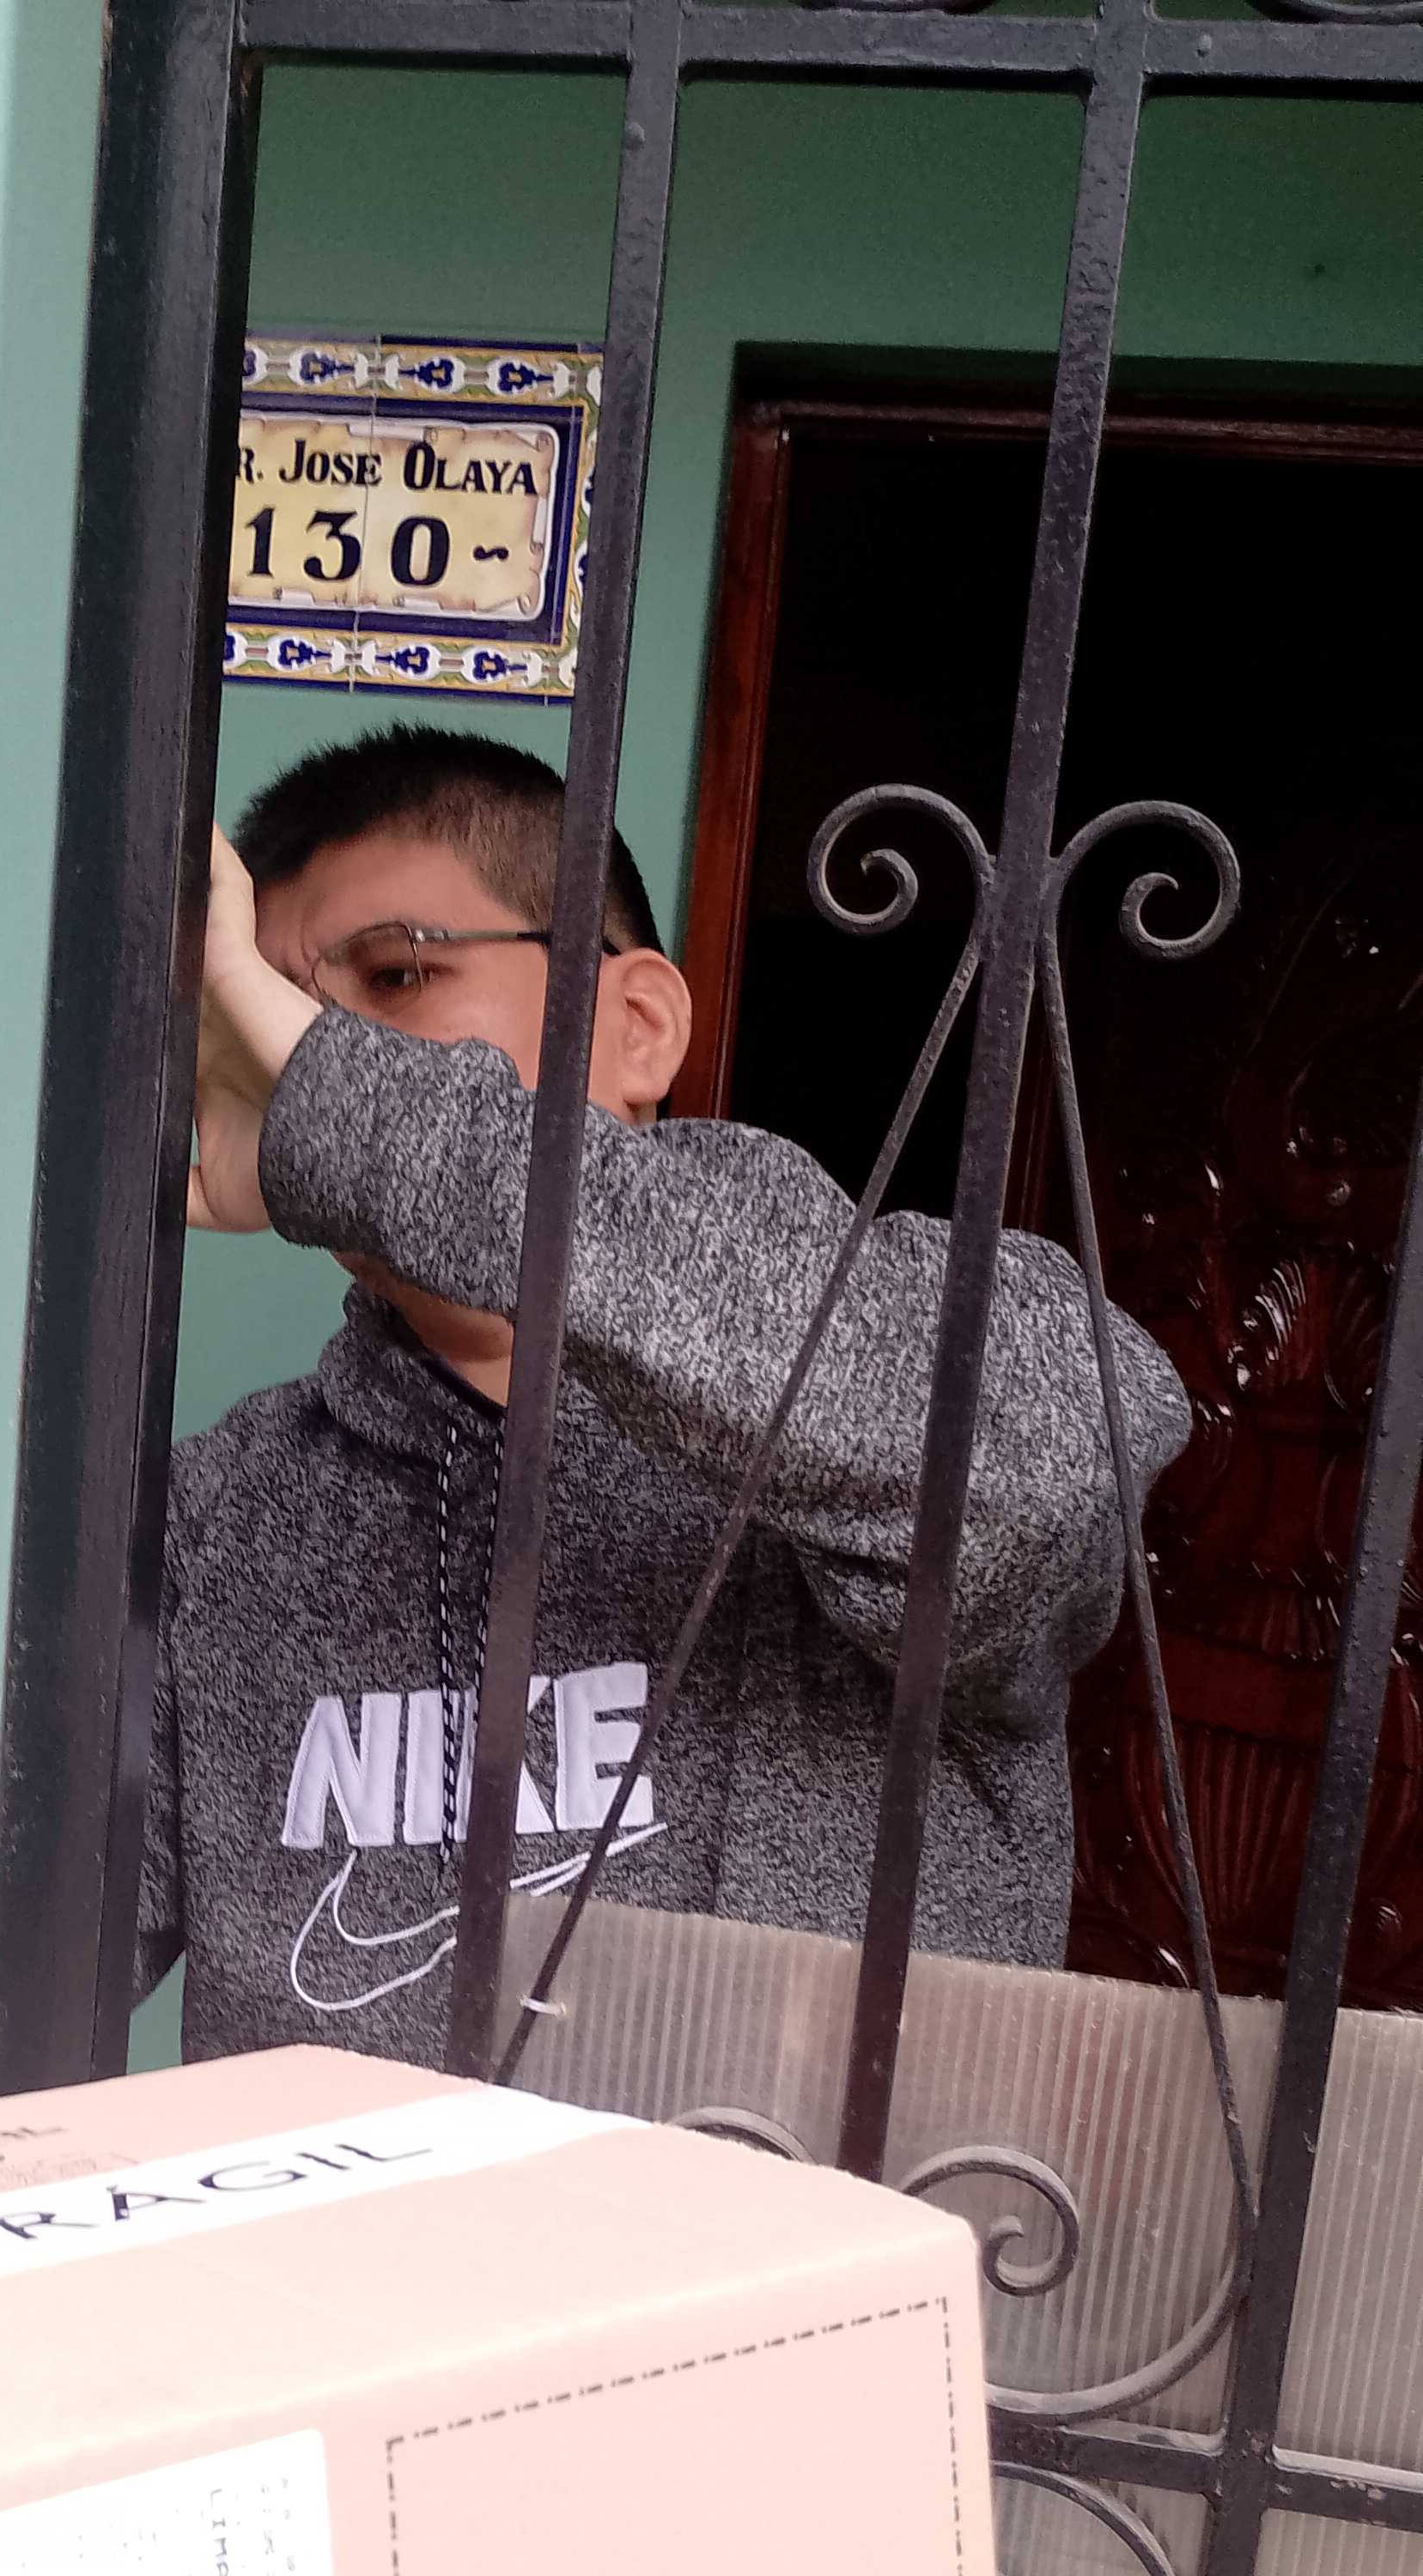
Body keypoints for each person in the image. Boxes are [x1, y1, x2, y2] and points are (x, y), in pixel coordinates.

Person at [137, 726, 1189, 2063]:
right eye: (269, 1011)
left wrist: (352, 1115)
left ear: (635, 1028)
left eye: (396, 974)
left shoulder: (904, 1364)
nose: (304, 1055)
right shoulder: (220, 1515)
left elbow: (1035, 1478)